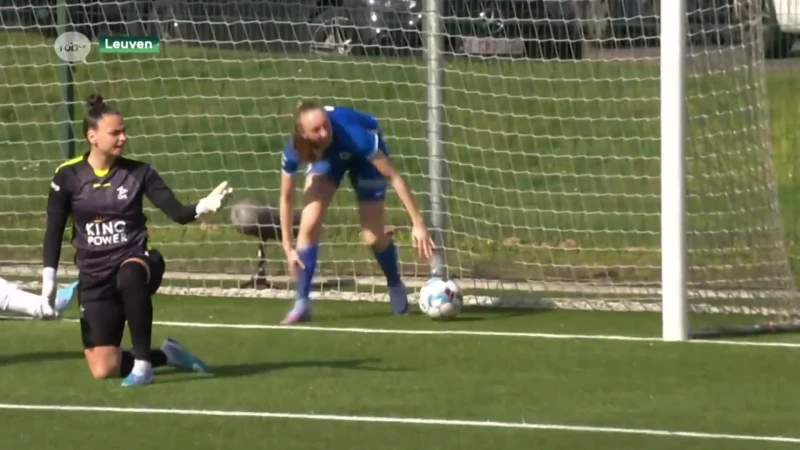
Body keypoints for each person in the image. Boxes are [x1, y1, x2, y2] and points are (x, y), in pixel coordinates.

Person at [41, 93, 233, 387]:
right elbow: (54, 228)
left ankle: (143, 365)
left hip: (139, 259)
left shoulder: (139, 173)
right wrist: (49, 278)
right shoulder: (68, 176)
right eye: (115, 132)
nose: (123, 138)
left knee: (130, 273)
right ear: (92, 136)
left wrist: (202, 206)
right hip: (94, 277)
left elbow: (178, 213)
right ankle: (167, 354)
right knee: (104, 368)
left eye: (124, 131)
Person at [279, 102, 435, 325]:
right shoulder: (295, 149)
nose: (324, 133)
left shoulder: (356, 135)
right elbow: (286, 198)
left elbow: (394, 177)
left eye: (326, 125)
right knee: (309, 223)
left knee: (372, 237)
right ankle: (302, 303)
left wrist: (417, 223)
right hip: (330, 160)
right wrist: (288, 247)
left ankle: (394, 282)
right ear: (302, 134)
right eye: (316, 130)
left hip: (365, 160)